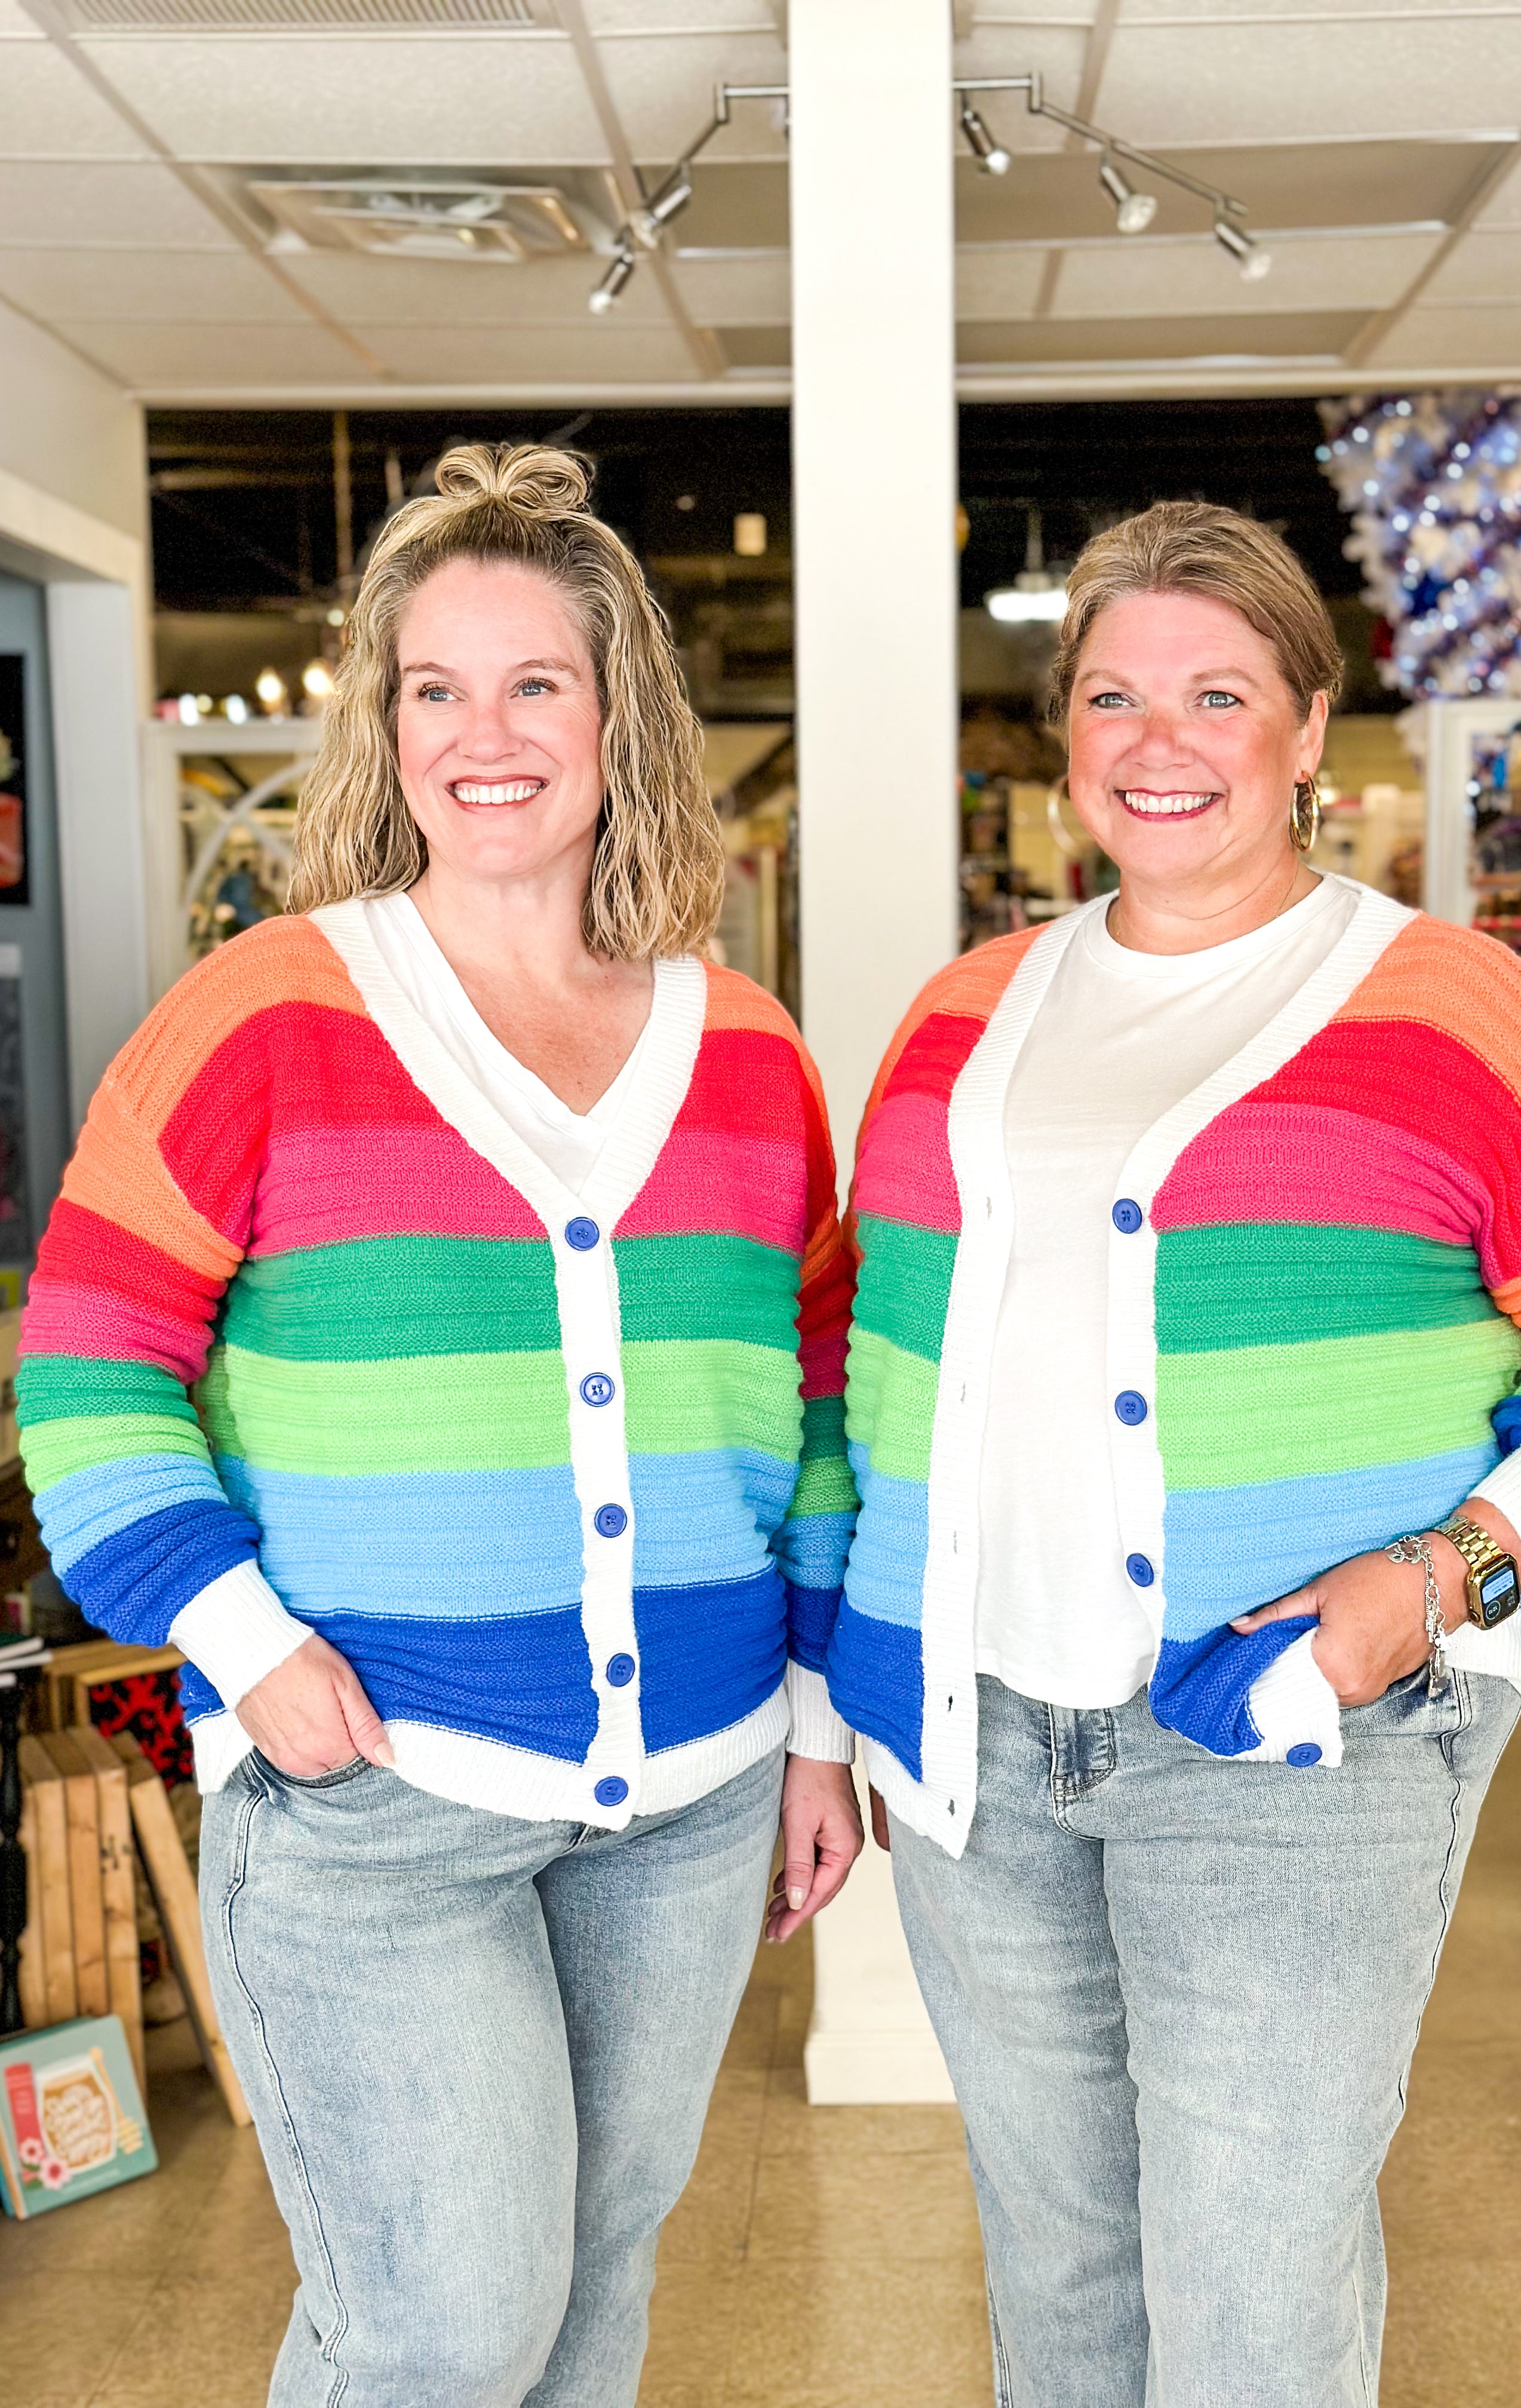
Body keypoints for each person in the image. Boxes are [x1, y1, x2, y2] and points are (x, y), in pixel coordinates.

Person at [824, 500, 1521, 2406]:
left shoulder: (1460, 1011)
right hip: (979, 1746)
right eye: (1114, 695)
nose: (1160, 742)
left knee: (1245, 2303)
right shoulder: (961, 1019)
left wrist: (1438, 1584)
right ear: (1063, 732)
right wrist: (847, 1704)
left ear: (1310, 731)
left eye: (1217, 694)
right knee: (1058, 2266)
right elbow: (861, 1384)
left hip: (1296, 1734)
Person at [17, 444, 863, 2408]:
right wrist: (240, 1643)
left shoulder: (746, 1052)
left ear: (617, 716)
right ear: (381, 729)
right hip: (375, 1786)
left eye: (535, 684)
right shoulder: (258, 1017)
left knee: (592, 2301)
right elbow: (90, 1360)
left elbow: (816, 1408)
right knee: (442, 2328)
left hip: (697, 1794)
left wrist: (818, 1728)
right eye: (434, 690)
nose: (485, 735)